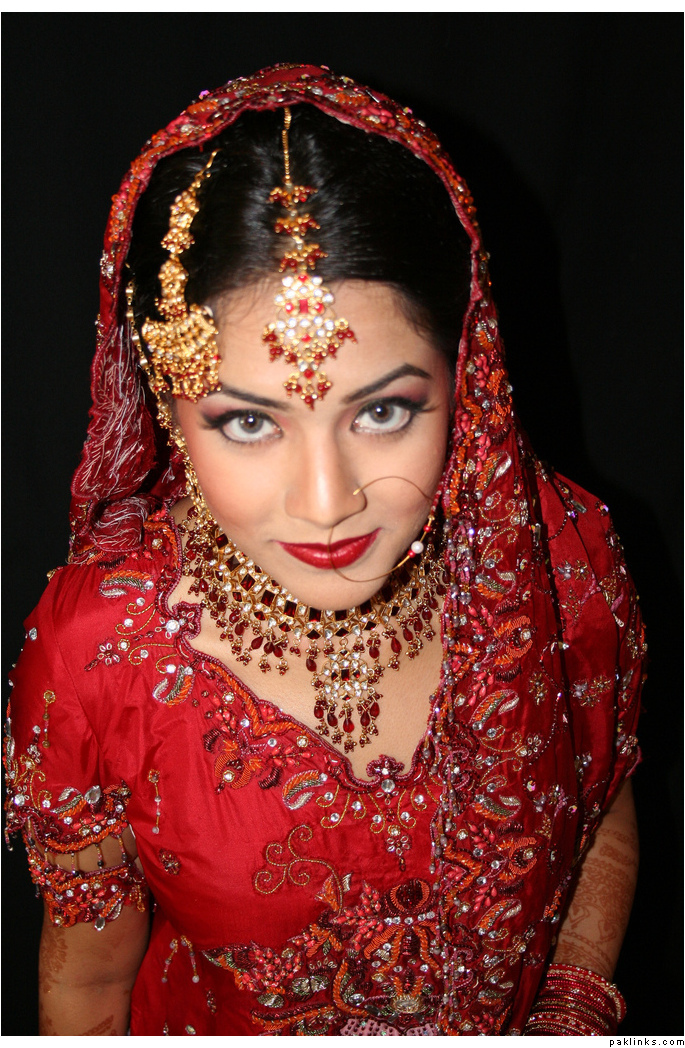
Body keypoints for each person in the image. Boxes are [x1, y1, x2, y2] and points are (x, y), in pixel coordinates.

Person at [4, 64, 645, 1036]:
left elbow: (598, 803)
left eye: (382, 412)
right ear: (168, 411)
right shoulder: (98, 655)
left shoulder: (557, 560)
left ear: (465, 375)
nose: (327, 502)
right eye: (248, 423)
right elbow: (88, 989)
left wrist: (568, 1009)